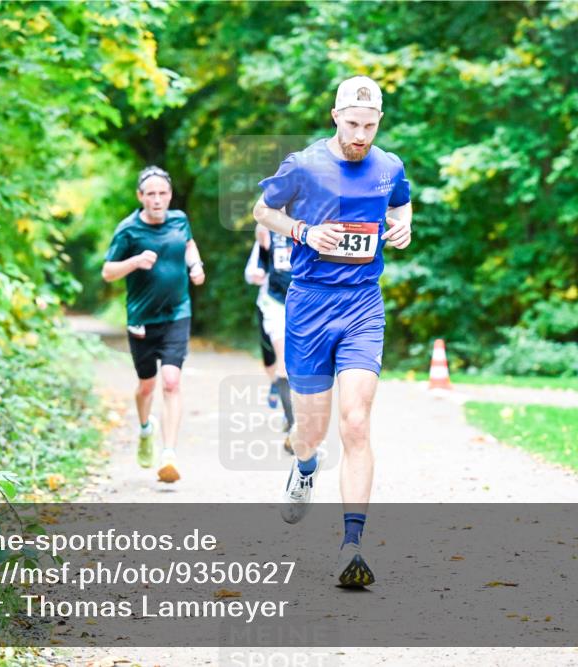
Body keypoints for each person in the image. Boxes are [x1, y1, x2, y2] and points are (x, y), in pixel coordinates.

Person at [253, 76, 412, 587]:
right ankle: (303, 469)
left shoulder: (390, 166)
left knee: (357, 421)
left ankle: (352, 546)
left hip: (364, 303)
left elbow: (401, 202)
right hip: (309, 303)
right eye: (352, 123)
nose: (361, 134)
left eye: (370, 125)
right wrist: (303, 231)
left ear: (379, 121)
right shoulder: (304, 164)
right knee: (312, 431)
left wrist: (403, 224)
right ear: (335, 116)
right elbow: (262, 210)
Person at [102, 166, 205, 483]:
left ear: (169, 195)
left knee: (171, 381)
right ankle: (146, 428)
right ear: (140, 197)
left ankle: (169, 454)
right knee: (147, 385)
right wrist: (134, 262)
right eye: (151, 194)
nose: (157, 199)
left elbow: (188, 244)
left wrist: (196, 265)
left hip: (177, 312)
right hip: (142, 320)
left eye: (163, 193)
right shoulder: (128, 230)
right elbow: (108, 271)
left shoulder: (179, 220)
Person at [245, 225, 295, 449]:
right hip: (274, 303)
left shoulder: (311, 226)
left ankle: (292, 410)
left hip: (305, 303)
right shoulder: (267, 231)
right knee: (277, 362)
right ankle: (294, 425)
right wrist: (257, 271)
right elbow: (254, 270)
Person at [244, 240, 280, 410]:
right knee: (269, 357)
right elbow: (249, 272)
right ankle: (275, 381)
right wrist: (256, 274)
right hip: (267, 303)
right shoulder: (266, 239)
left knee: (288, 355)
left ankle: (289, 410)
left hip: (293, 305)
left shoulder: (304, 236)